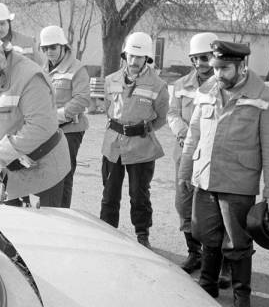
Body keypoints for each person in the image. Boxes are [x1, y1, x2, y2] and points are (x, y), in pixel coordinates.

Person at [178, 40, 269, 307]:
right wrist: (185, 172)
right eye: (215, 68)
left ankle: (241, 296)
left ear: (241, 66)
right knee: (205, 235)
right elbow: (194, 135)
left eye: (224, 69)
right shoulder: (207, 91)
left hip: (238, 182)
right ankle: (208, 285)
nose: (218, 74)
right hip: (205, 177)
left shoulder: (265, 98)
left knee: (237, 242)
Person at [0, 19, 70, 207]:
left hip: (42, 168)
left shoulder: (29, 76)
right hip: (7, 169)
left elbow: (40, 127)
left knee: (43, 231)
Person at [99, 32, 169, 249]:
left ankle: (142, 234)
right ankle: (107, 233)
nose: (135, 60)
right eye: (131, 55)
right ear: (125, 55)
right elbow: (108, 108)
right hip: (113, 145)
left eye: (140, 57)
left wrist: (140, 128)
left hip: (141, 145)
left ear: (147, 58)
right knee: (109, 192)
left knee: (139, 194)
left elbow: (161, 117)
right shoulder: (111, 80)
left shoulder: (158, 85)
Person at [168, 32, 218, 273]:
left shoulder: (224, 85)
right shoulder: (181, 85)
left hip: (212, 156)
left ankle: (224, 262)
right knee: (184, 202)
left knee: (215, 207)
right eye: (196, 58)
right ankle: (193, 253)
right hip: (185, 152)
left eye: (205, 57)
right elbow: (172, 113)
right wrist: (182, 132)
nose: (200, 63)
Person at [40, 25, 90, 208]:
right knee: (47, 174)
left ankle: (62, 214)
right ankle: (49, 212)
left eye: (53, 47)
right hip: (47, 130)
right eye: (45, 48)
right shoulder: (42, 69)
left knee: (64, 175)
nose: (49, 52)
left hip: (70, 130)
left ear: (63, 46)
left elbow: (82, 99)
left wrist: (58, 116)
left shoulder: (77, 68)